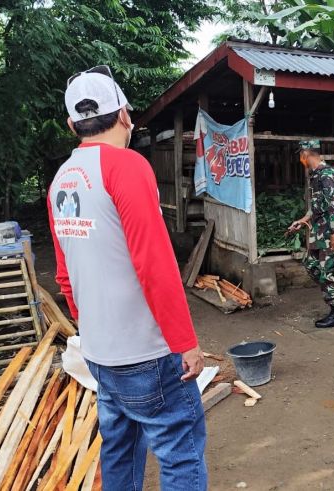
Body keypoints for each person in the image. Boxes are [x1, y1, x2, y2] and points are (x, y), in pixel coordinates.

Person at [49, 66, 207, 490]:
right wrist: (185, 342)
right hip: (147, 353)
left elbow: (65, 276)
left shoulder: (60, 180)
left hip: (100, 352)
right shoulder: (126, 166)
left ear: (72, 125)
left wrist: (94, 331)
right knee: (181, 452)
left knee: (119, 450)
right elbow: (153, 263)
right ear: (123, 114)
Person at [288, 140, 334, 328]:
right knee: (310, 264)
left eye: (301, 155)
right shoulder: (316, 175)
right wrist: (303, 220)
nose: (300, 159)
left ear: (306, 154)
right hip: (320, 232)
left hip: (332, 232)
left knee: (330, 272)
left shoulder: (326, 175)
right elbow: (319, 206)